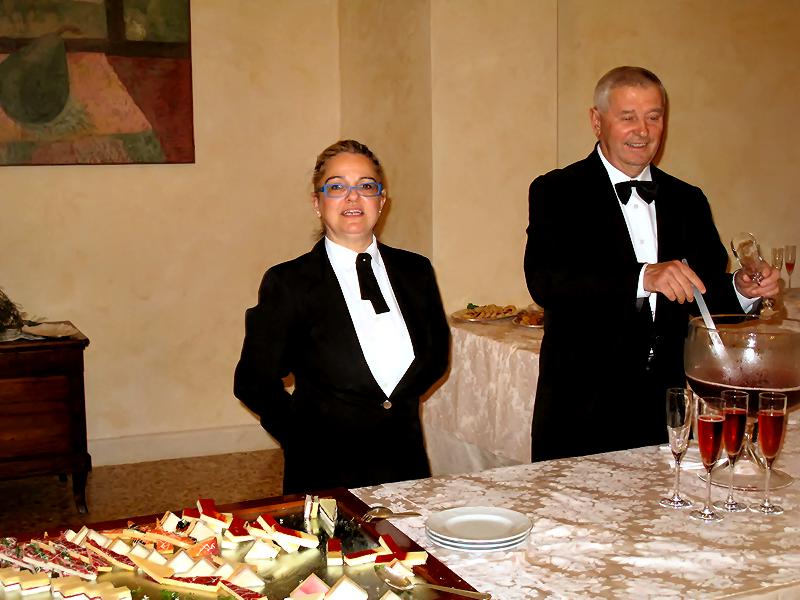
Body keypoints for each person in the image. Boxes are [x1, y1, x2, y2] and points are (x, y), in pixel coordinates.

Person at [524, 66, 779, 462]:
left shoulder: (688, 199)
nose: (642, 131)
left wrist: (741, 289)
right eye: (628, 117)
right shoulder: (557, 191)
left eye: (653, 117)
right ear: (597, 121)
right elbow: (546, 280)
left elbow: (705, 293)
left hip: (666, 413)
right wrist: (644, 276)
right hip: (580, 413)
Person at [234, 139, 450, 493]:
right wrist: (303, 437)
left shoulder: (416, 271)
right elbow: (253, 381)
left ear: (381, 201)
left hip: (406, 466)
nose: (353, 197)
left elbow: (436, 355)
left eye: (366, 186)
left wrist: (392, 407)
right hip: (324, 473)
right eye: (336, 187)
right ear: (317, 203)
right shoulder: (289, 282)